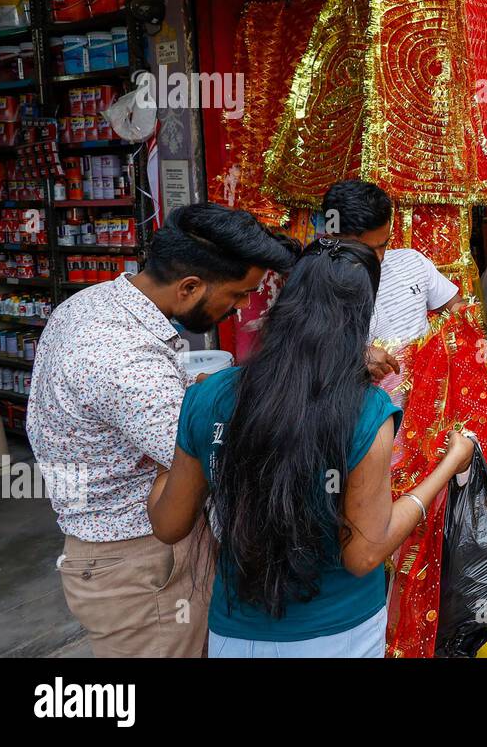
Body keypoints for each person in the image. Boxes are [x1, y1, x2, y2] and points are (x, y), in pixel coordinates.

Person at [147, 239, 475, 657]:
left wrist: (168, 460)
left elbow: (168, 523)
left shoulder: (208, 396)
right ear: (362, 315)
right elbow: (364, 553)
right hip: (342, 633)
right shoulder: (366, 411)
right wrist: (450, 464)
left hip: (236, 634)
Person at [27, 203, 299, 657]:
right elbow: (217, 453)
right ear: (189, 287)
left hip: (134, 551)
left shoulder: (98, 304)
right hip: (142, 567)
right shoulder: (122, 359)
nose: (237, 310)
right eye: (235, 295)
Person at [322, 179, 463, 402]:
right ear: (333, 237)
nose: (378, 258)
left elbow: (457, 307)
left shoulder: (412, 261)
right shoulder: (316, 286)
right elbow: (305, 358)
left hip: (428, 408)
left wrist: (457, 340)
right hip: (369, 421)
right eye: (366, 250)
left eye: (384, 245)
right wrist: (356, 358)